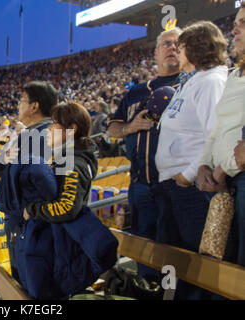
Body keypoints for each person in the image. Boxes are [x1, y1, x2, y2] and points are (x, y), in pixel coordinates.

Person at [154, 21, 228, 299]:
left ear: (194, 49)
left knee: (201, 266)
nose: (177, 51)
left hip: (193, 189)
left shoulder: (210, 82)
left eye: (181, 46)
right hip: (177, 187)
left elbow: (215, 134)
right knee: (181, 263)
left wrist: (188, 173)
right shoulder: (194, 80)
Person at [17, 102, 117, 299]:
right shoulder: (66, 158)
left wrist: (33, 210)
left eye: (55, 124)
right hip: (60, 248)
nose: (49, 129)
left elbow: (67, 208)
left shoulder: (74, 163)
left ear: (71, 130)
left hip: (66, 253)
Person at [107, 27, 182, 283]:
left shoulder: (190, 84)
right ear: (156, 52)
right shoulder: (137, 91)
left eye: (178, 44)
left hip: (177, 183)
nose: (172, 48)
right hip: (140, 183)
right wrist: (131, 127)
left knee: (178, 252)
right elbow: (113, 129)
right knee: (145, 252)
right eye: (167, 44)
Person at [0, 81, 58, 282]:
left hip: (31, 229)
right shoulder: (29, 134)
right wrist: (4, 158)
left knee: (33, 286)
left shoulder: (46, 136)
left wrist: (28, 212)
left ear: (34, 106)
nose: (18, 106)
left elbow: (44, 186)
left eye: (22, 101)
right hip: (23, 226)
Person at [197, 3, 245, 268]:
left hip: (236, 178)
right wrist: (205, 164)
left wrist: (220, 171)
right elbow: (219, 126)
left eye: (243, 23)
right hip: (224, 184)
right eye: (236, 22)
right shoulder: (234, 74)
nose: (234, 29)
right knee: (223, 270)